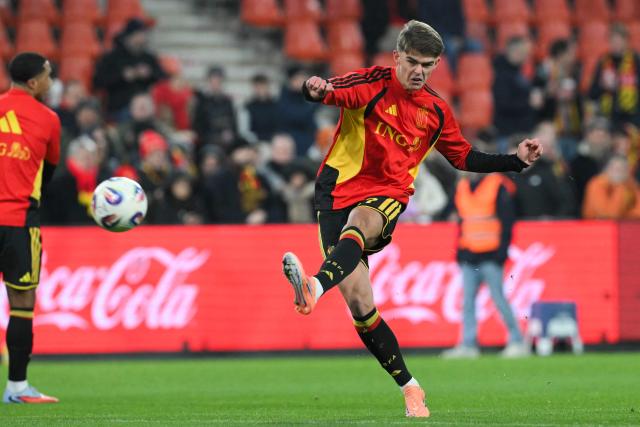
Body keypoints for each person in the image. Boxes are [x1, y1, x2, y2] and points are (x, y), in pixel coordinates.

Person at [280, 20, 542, 418]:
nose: (420, 71)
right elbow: (329, 91)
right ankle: (411, 388)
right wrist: (313, 90)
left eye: (429, 65)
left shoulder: (435, 111)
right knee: (360, 305)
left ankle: (314, 286)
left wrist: (515, 162)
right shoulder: (371, 84)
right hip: (335, 192)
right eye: (414, 62)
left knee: (362, 223)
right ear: (397, 57)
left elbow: (464, 157)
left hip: (387, 194)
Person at [0, 52, 60, 403]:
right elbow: (48, 172)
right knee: (22, 302)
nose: (51, 80)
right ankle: (18, 388)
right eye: (48, 75)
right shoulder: (48, 119)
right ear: (35, 82)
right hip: (20, 223)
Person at [441, 172, 528, 359]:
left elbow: (507, 221)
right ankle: (468, 344)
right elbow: (456, 217)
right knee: (468, 302)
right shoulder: (462, 186)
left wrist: (502, 252)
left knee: (498, 298)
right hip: (469, 252)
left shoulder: (496, 184)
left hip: (491, 253)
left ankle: (517, 341)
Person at [93, 18, 166, 121]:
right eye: (138, 34)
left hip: (145, 105)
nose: (142, 38)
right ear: (129, 36)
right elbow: (98, 82)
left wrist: (149, 74)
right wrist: (122, 76)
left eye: (143, 34)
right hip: (120, 107)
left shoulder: (148, 57)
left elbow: (163, 77)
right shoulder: (112, 57)